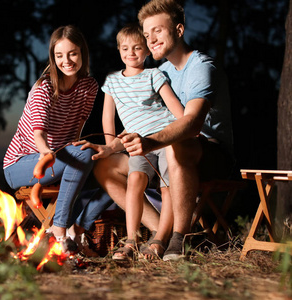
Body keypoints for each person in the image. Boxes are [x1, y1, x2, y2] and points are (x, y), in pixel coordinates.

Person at [75, 0, 234, 261]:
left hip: (211, 152)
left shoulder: (201, 68)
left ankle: (178, 238)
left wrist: (150, 142)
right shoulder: (160, 71)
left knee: (175, 145)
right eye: (147, 35)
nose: (150, 40)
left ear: (179, 30)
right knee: (105, 166)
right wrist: (112, 146)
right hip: (164, 148)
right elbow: (145, 118)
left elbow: (191, 124)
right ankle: (157, 231)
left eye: (157, 31)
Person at [3, 25, 98, 254]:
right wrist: (47, 153)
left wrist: (75, 154)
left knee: (103, 160)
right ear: (52, 58)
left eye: (72, 53)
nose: (66, 60)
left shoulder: (89, 87)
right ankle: (59, 228)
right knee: (84, 154)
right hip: (22, 163)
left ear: (82, 53)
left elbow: (76, 130)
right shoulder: (44, 87)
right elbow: (39, 133)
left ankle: (77, 228)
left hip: (62, 160)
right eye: (59, 55)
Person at [101, 23, 184, 261]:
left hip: (165, 138)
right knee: (135, 179)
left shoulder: (153, 75)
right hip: (138, 145)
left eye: (138, 48)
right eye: (125, 48)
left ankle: (159, 240)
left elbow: (173, 106)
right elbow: (108, 118)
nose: (131, 53)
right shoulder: (112, 82)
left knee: (167, 186)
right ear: (119, 50)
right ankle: (131, 240)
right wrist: (109, 146)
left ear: (147, 51)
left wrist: (185, 127)